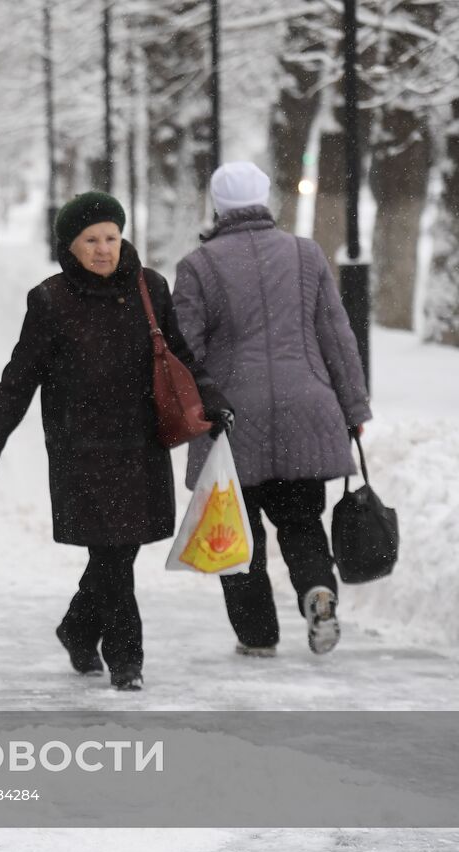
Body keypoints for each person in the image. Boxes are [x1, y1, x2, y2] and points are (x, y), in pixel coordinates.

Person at [0, 192, 232, 691]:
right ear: (71, 246)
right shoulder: (49, 300)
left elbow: (179, 354)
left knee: (118, 552)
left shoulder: (150, 287)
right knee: (111, 554)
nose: (104, 249)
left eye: (111, 237)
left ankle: (78, 628)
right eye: (91, 240)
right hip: (80, 448)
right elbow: (20, 377)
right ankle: (127, 660)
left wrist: (211, 397)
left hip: (140, 444)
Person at [173, 162, 372, 658]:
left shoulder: (199, 265)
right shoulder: (306, 254)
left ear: (217, 206)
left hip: (231, 420)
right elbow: (337, 336)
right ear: (265, 199)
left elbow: (183, 349)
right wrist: (354, 405)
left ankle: (257, 635)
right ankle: (316, 593)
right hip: (306, 408)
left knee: (237, 534)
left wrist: (183, 413)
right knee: (303, 521)